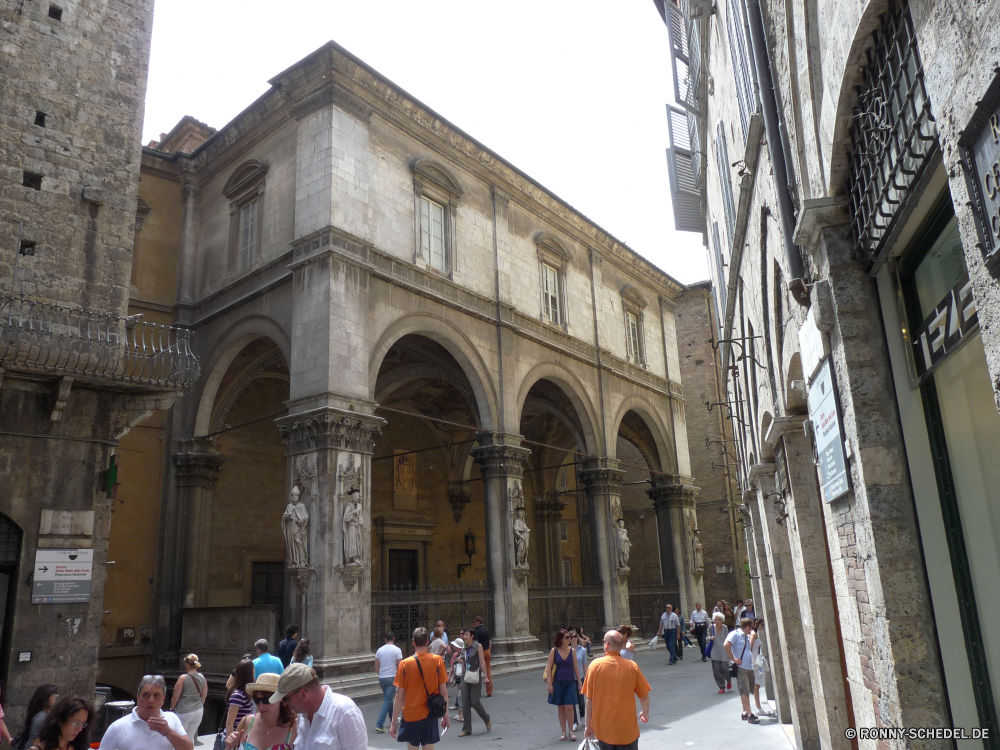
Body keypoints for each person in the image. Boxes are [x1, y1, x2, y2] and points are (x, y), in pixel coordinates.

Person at [270, 663, 366, 750]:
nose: (285, 703)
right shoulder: (302, 715)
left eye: (286, 699)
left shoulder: (344, 712)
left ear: (302, 694)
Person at [581, 630, 651, 750]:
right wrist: (644, 712)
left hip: (604, 730)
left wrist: (588, 725)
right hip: (627, 731)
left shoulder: (595, 666)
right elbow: (644, 697)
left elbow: (590, 699)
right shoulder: (632, 666)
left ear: (607, 644)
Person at [389, 627, 450, 749]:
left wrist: (393, 722)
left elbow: (399, 696)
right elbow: (444, 692)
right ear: (427, 642)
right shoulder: (437, 661)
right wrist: (445, 716)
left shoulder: (404, 664)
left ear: (413, 642)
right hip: (430, 714)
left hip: (411, 715)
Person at [99, 675, 193, 750]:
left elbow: (188, 748)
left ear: (163, 699)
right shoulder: (118, 727)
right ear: (138, 697)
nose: (151, 700)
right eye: (146, 695)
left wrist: (167, 731)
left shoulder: (172, 718)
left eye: (156, 695)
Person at [224, 673, 296, 750]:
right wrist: (229, 747)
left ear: (280, 698)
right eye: (257, 700)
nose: (260, 706)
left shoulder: (295, 727)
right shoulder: (247, 721)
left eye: (266, 700)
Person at [544, 629, 582, 742]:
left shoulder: (572, 651)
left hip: (570, 681)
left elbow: (576, 667)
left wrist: (580, 682)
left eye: (570, 637)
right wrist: (550, 684)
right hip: (558, 682)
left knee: (569, 706)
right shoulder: (554, 651)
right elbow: (549, 668)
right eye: (567, 637)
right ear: (561, 639)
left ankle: (571, 731)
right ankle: (563, 732)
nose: (569, 639)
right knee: (561, 707)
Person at [457, 626, 490, 737]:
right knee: (465, 701)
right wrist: (460, 660)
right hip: (465, 676)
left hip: (475, 674)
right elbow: (463, 662)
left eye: (467, 634)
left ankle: (486, 718)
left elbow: (482, 661)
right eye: (464, 635)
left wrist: (485, 676)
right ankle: (466, 729)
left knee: (474, 700)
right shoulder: (464, 647)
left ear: (472, 636)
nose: (464, 636)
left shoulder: (478, 646)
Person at [725, 618, 759, 723]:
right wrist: (733, 659)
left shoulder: (746, 636)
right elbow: (726, 644)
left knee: (747, 690)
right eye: (751, 627)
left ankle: (744, 711)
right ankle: (750, 714)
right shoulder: (735, 634)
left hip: (749, 667)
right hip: (741, 667)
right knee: (743, 690)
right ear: (748, 626)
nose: (752, 629)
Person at [170, 654, 208, 742]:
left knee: (179, 739)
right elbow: (204, 695)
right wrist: (198, 705)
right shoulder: (202, 677)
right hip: (198, 711)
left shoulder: (183, 678)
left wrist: (172, 709)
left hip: (184, 710)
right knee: (190, 738)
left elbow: (175, 697)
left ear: (187, 664)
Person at [374, 631, 403, 734]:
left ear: (385, 639)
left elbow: (376, 666)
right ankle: (379, 724)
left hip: (382, 678)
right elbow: (400, 665)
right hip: (392, 677)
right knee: (387, 700)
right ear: (393, 638)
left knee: (388, 699)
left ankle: (393, 719)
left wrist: (381, 674)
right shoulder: (397, 650)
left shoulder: (379, 650)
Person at [12, 683, 57, 748]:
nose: (56, 696)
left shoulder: (45, 713)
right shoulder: (41, 716)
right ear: (47, 697)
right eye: (54, 694)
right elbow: (35, 741)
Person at [225, 659, 255, 736]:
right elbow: (229, 723)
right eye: (253, 669)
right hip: (234, 739)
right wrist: (230, 744)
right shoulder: (238, 695)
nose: (254, 671)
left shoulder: (247, 693)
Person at [750, 619, 772, 716]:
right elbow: (750, 647)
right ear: (757, 624)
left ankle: (758, 707)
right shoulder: (753, 634)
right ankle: (758, 707)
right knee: (757, 685)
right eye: (762, 625)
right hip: (755, 660)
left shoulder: (754, 633)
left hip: (756, 659)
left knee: (757, 684)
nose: (763, 627)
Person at [568, 629, 589, 731]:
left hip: (580, 678)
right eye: (570, 637)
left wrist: (587, 678)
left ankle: (583, 717)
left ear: (577, 637)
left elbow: (584, 665)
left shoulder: (583, 650)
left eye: (574, 636)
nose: (572, 639)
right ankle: (574, 722)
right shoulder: (566, 650)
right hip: (570, 678)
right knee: (572, 701)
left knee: (581, 701)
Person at [707, 612, 730, 693]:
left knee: (725, 668)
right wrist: (710, 637)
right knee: (717, 669)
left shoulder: (725, 628)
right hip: (715, 650)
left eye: (718, 619)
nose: (717, 621)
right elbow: (707, 636)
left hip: (724, 650)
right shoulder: (711, 627)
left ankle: (728, 679)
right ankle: (721, 687)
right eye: (715, 619)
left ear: (722, 620)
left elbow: (728, 639)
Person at [472, 615, 493, 697]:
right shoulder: (486, 630)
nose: (473, 624)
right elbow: (489, 642)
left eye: (474, 622)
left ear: (478, 622)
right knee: (488, 672)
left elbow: (476, 643)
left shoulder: (477, 631)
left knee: (477, 672)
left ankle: (477, 691)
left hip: (480, 652)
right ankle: (489, 691)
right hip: (487, 651)